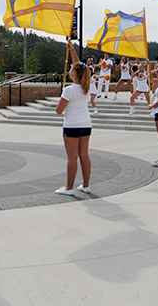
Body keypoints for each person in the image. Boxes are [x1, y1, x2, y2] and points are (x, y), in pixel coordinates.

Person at [54, 39, 92, 196]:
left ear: (74, 73)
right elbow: (81, 68)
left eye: (71, 69)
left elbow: (59, 110)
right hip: (86, 124)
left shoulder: (68, 90)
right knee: (84, 155)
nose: (70, 70)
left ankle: (69, 188)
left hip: (71, 125)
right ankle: (86, 185)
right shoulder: (87, 87)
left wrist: (62, 98)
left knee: (72, 158)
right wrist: (72, 50)